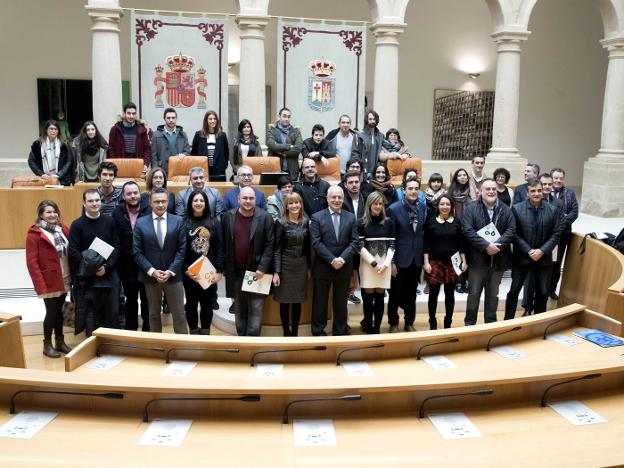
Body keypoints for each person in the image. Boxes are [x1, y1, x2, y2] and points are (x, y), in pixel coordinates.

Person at [505, 179, 564, 319]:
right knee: (514, 290)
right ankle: (507, 321)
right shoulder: (517, 208)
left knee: (542, 292)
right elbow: (513, 232)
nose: (536, 193)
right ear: (527, 193)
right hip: (522, 257)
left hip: (544, 258)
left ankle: (538, 322)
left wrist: (542, 250)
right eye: (533, 191)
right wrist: (529, 250)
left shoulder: (553, 210)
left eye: (539, 190)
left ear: (543, 191)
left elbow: (556, 234)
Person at [133, 188, 188, 334]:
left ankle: (183, 348)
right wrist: (152, 272)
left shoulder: (178, 221)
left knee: (179, 316)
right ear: (150, 202)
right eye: (157, 201)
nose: (160, 204)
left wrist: (170, 271)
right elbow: (137, 252)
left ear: (168, 202)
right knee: (153, 315)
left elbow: (182, 250)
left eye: (163, 201)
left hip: (174, 276)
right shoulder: (140, 223)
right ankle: (156, 349)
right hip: (150, 277)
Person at [461, 179, 515, 325]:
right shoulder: (470, 208)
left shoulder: (506, 209)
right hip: (477, 261)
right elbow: (467, 230)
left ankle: (490, 324)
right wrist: (485, 245)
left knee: (493, 295)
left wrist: (497, 245)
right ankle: (470, 324)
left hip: (499, 259)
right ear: (480, 192)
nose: (491, 191)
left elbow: (511, 230)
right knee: (473, 294)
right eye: (488, 189)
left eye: (493, 189)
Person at [222, 186, 274, 336]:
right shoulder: (228, 216)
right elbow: (224, 244)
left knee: (256, 311)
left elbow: (270, 244)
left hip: (257, 273)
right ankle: (242, 341)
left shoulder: (265, 217)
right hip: (236, 272)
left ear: (256, 200)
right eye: (245, 198)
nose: (248, 201)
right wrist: (224, 269)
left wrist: (262, 268)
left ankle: (252, 343)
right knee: (239, 311)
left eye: (251, 198)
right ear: (238, 199)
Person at [69, 189, 121, 337]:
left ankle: (111, 343)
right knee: (91, 313)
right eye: (90, 201)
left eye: (97, 200)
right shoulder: (77, 225)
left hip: (108, 273)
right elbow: (74, 251)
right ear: (84, 204)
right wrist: (92, 267)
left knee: (112, 311)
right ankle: (93, 346)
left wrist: (106, 267)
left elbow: (117, 247)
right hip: (88, 276)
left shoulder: (110, 221)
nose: (94, 203)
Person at [25, 200, 73, 358]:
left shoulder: (62, 228)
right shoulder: (35, 234)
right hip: (49, 281)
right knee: (51, 312)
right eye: (48, 212)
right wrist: (40, 286)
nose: (52, 215)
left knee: (60, 311)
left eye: (54, 212)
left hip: (64, 278)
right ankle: (47, 344)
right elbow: (32, 263)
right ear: (41, 214)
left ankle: (60, 342)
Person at [310, 185, 358, 336]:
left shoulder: (350, 217)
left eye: (340, 197)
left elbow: (355, 242)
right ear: (328, 199)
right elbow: (316, 242)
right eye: (334, 197)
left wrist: (342, 259)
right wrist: (332, 260)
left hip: (344, 268)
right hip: (323, 267)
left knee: (341, 303)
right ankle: (318, 332)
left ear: (343, 199)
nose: (337, 200)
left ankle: (340, 331)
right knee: (320, 303)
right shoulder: (316, 217)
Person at [386, 178, 427, 332]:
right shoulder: (393, 209)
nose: (413, 191)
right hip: (399, 259)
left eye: (416, 188)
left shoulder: (422, 207)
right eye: (410, 188)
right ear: (404, 190)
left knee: (411, 294)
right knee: (395, 294)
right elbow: (391, 237)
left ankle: (409, 322)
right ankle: (393, 322)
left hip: (416, 258)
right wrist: (392, 261)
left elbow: (421, 233)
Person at [183, 190, 223, 335]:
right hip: (190, 273)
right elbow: (181, 249)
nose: (198, 203)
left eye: (201, 200)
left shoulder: (214, 222)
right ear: (190, 203)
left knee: (207, 304)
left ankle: (205, 331)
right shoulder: (183, 222)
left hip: (208, 272)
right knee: (191, 304)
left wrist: (219, 271)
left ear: (206, 203)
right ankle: (193, 331)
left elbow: (219, 248)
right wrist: (185, 269)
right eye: (195, 200)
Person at [112, 181, 150, 331]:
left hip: (146, 263)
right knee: (131, 298)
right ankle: (131, 329)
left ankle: (148, 329)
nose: (133, 196)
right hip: (126, 264)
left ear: (140, 193)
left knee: (147, 299)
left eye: (135, 192)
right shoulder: (117, 212)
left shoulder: (149, 210)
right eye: (129, 193)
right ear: (123, 196)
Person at [423, 195, 466, 330]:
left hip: (452, 263)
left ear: (451, 206)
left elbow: (461, 244)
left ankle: (448, 322)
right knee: (433, 295)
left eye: (448, 204)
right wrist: (426, 263)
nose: (445, 207)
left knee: (450, 294)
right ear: (438, 206)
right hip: (434, 262)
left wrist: (464, 262)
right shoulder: (431, 221)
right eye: (442, 204)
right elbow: (426, 243)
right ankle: (432, 322)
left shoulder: (457, 222)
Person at [357, 192, 395, 334]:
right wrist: (374, 263)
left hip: (385, 265)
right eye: (375, 203)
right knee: (368, 297)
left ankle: (377, 328)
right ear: (369, 205)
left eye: (380, 204)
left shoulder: (389, 222)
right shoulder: (361, 222)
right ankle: (368, 326)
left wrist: (385, 264)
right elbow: (360, 246)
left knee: (380, 296)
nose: (378, 206)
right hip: (368, 265)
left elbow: (392, 245)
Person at [272, 192, 309, 336]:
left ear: (301, 204)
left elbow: (307, 248)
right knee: (285, 301)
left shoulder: (306, 221)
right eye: (291, 203)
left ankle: (295, 332)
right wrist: (276, 271)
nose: (294, 205)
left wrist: (309, 268)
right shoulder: (280, 223)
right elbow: (276, 249)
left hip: (301, 265)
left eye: (297, 202)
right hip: (285, 266)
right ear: (286, 206)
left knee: (298, 300)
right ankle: (286, 332)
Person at [549, 167, 579, 300]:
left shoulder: (570, 194)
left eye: (560, 178)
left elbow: (574, 212)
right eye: (555, 178)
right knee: (545, 264)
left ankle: (552, 290)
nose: (558, 180)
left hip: (562, 236)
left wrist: (560, 222)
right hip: (546, 236)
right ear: (551, 178)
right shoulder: (545, 191)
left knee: (557, 265)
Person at [107, 102, 151, 172]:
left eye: (133, 113)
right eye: (129, 113)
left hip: (137, 165)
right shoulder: (115, 129)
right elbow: (111, 148)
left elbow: (147, 149)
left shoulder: (141, 129)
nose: (131, 116)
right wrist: (114, 164)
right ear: (124, 113)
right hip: (120, 165)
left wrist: (145, 164)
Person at [28, 119, 73, 186]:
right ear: (46, 130)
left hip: (62, 180)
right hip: (44, 180)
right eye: (51, 129)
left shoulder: (64, 144)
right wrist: (41, 174)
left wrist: (59, 174)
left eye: (56, 129)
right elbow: (31, 161)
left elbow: (69, 161)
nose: (53, 131)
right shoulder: (38, 144)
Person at [266, 107, 303, 180]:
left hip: (291, 171)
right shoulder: (272, 131)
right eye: (284, 116)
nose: (286, 119)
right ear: (279, 116)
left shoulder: (296, 131)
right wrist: (289, 146)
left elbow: (298, 149)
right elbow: (272, 146)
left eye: (288, 117)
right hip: (275, 170)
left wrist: (280, 152)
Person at [191, 110, 229, 182]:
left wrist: (224, 165)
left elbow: (226, 153)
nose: (213, 121)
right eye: (210, 119)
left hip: (218, 170)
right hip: (202, 169)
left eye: (215, 119)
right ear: (206, 120)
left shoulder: (222, 135)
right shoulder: (198, 135)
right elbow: (194, 153)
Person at [151, 107, 191, 174]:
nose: (171, 120)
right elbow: (153, 156)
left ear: (176, 119)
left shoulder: (183, 135)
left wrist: (183, 155)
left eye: (173, 118)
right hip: (161, 170)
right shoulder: (156, 135)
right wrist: (155, 171)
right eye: (168, 118)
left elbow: (188, 152)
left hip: (178, 170)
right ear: (164, 119)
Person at [359, 109, 384, 178]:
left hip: (377, 173)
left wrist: (405, 153)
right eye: (370, 119)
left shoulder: (381, 136)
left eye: (374, 119)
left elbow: (389, 148)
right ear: (366, 120)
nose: (372, 121)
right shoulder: (359, 135)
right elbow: (355, 154)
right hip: (363, 171)